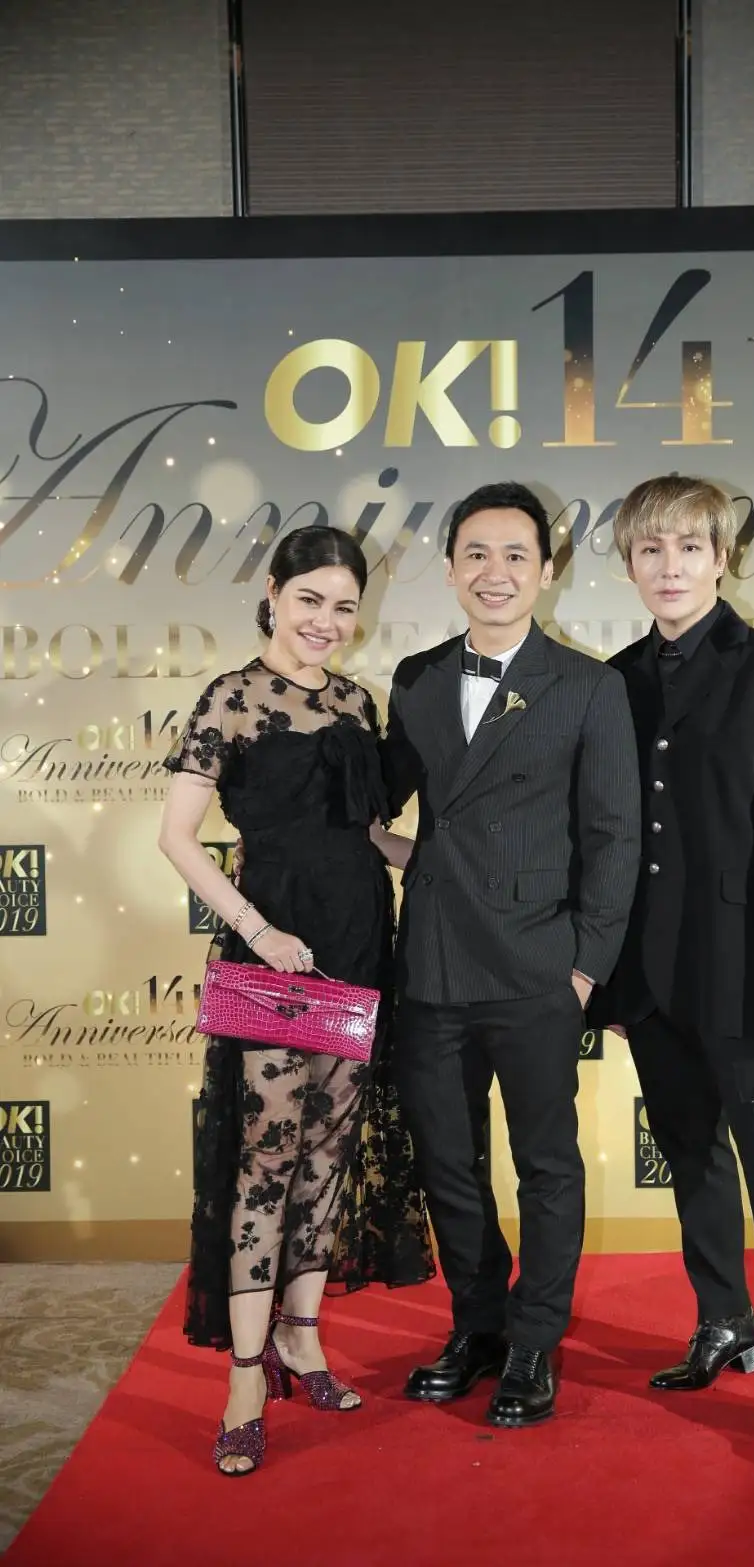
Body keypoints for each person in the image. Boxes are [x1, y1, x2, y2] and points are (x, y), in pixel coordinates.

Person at [159, 524, 432, 1477]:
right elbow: (177, 837)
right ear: (273, 593)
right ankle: (244, 1376)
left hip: (356, 946)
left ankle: (302, 1338)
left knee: (328, 1152)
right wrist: (258, 928)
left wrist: (449, 864)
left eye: (344, 606)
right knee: (266, 1158)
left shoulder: (357, 701)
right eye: (309, 599)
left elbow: (365, 835)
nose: (325, 621)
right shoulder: (230, 698)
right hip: (271, 955)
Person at [589, 475, 754, 1468]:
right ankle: (724, 1321)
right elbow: (609, 844)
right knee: (690, 1156)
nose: (670, 567)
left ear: (722, 556)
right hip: (652, 980)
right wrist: (609, 980)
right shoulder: (611, 680)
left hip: (750, 984)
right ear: (629, 563)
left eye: (688, 546)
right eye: (650, 549)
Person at [381, 481, 641, 1427]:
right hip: (432, 965)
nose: (495, 572)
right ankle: (478, 1325)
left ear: (546, 570)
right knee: (448, 1163)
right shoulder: (413, 678)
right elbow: (386, 805)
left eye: (515, 555)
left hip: (536, 968)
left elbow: (613, 837)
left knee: (545, 1165)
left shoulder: (588, 685)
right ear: (450, 569)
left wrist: (583, 967)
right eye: (477, 554)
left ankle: (534, 1340)